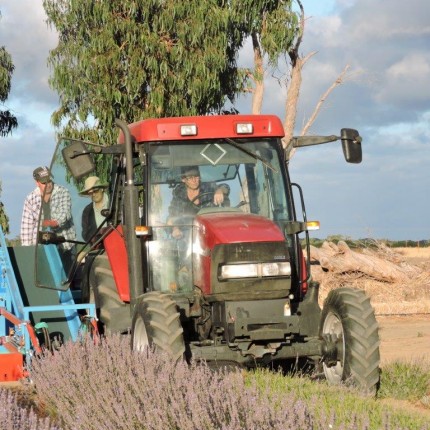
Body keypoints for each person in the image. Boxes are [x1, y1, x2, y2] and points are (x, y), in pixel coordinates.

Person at [21, 166, 76, 272]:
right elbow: (26, 227)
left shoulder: (63, 192)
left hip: (65, 245)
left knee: (67, 277)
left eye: (49, 181)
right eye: (44, 183)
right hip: (42, 249)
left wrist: (53, 222)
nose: (48, 185)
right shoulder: (30, 199)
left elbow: (65, 213)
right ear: (37, 182)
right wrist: (27, 251)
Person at [167, 166, 229, 239]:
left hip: (210, 231)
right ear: (183, 179)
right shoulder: (178, 194)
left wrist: (220, 190)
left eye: (196, 176)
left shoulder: (208, 187)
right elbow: (172, 215)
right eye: (190, 178)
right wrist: (175, 228)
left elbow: (225, 187)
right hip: (186, 235)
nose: (194, 180)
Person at [79, 176, 109, 242]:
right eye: (90, 193)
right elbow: (85, 235)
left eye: (95, 190)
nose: (93, 194)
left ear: (102, 189)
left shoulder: (114, 203)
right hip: (99, 249)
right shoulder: (87, 211)